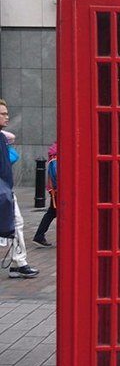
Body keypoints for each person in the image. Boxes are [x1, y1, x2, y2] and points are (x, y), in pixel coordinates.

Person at [0, 99, 39, 278]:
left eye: (7, 113)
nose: (6, 117)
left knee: (17, 223)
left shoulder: (1, 137)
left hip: (5, 191)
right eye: (3, 114)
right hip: (2, 191)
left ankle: (19, 262)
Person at [33, 142, 57, 247]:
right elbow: (56, 174)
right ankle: (39, 235)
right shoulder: (56, 155)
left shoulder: (55, 153)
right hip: (58, 190)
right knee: (52, 212)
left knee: (51, 213)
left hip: (56, 190)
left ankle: (39, 235)